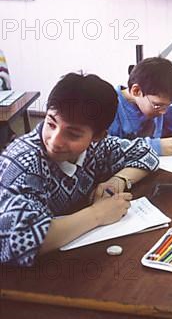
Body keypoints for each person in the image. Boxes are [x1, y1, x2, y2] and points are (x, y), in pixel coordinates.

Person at [0, 73, 159, 266]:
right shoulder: (24, 162)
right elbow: (17, 241)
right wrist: (98, 214)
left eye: (73, 134)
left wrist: (119, 180)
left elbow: (146, 153)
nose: (55, 140)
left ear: (98, 136)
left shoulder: (97, 147)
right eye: (51, 123)